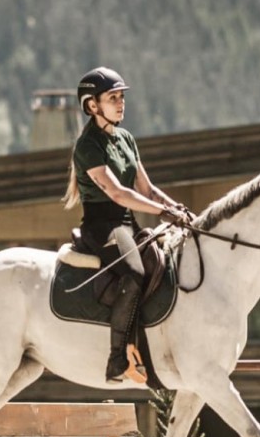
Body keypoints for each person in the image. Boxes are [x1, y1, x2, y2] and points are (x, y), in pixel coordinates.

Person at [64, 68, 197, 382]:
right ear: (92, 105)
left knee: (165, 265)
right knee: (135, 272)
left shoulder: (125, 139)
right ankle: (116, 360)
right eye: (113, 98)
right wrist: (163, 214)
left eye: (121, 97)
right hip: (102, 227)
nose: (121, 103)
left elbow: (146, 189)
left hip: (127, 222)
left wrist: (174, 208)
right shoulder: (87, 146)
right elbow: (117, 192)